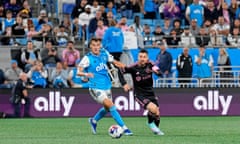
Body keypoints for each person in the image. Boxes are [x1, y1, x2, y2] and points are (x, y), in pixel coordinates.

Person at [77, 37, 133, 136]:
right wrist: (86, 74)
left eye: (98, 45)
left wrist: (124, 66)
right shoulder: (87, 58)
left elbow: (114, 62)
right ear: (90, 46)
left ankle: (93, 120)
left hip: (106, 86)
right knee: (110, 105)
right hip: (95, 87)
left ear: (100, 46)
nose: (96, 47)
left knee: (107, 108)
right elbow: (78, 71)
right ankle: (124, 128)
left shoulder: (104, 53)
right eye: (93, 45)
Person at [115, 49, 164, 135]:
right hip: (139, 94)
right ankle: (151, 124)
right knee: (153, 108)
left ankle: (156, 130)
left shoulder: (150, 65)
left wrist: (158, 72)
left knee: (157, 113)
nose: (142, 59)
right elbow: (120, 70)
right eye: (140, 57)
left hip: (150, 92)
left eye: (144, 57)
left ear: (147, 58)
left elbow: (157, 70)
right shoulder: (133, 67)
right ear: (138, 57)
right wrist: (124, 84)